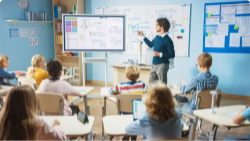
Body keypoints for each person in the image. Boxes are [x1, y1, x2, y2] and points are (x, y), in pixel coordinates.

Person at [0, 85, 66, 140]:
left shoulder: (2, 122)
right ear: (32, 102)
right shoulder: (39, 124)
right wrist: (57, 126)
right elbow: (61, 139)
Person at [176, 53, 218, 125]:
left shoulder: (196, 79)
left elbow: (185, 91)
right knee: (189, 102)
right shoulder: (215, 78)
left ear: (199, 65)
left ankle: (183, 129)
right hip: (208, 109)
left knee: (176, 107)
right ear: (210, 64)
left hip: (195, 109)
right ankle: (190, 127)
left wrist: (180, 86)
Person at [137, 18, 175, 85]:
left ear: (162, 26)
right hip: (154, 64)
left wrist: (159, 54)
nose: (156, 26)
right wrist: (142, 36)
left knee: (162, 85)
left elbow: (172, 54)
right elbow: (151, 44)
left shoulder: (168, 40)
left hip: (162, 65)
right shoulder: (157, 37)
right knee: (151, 83)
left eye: (157, 25)